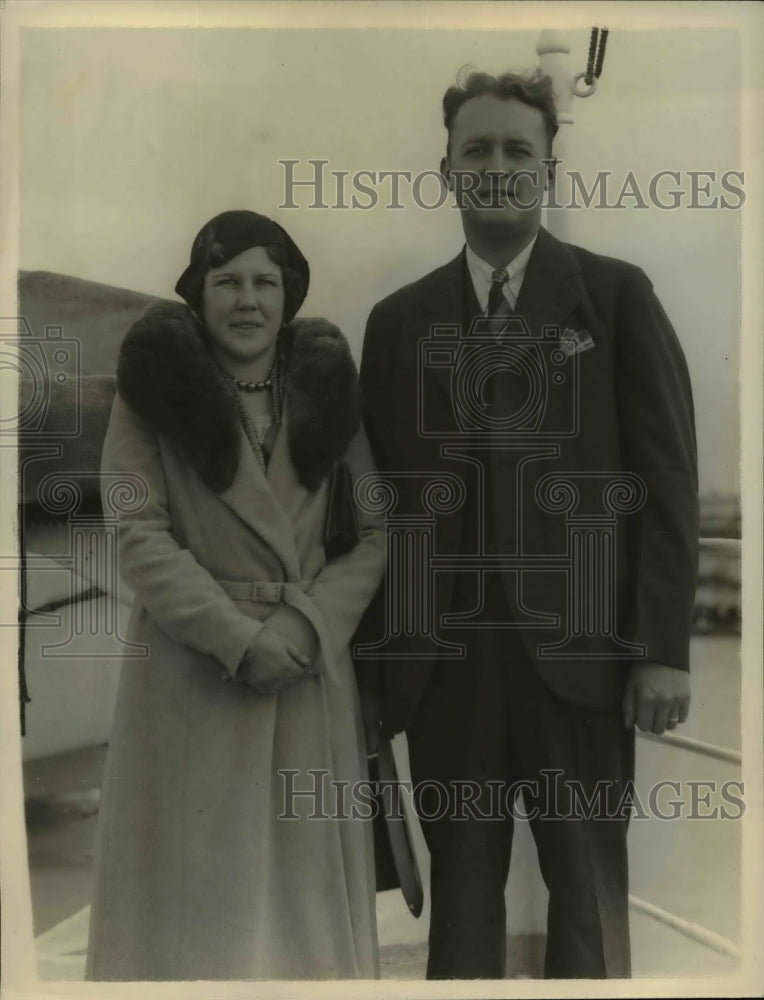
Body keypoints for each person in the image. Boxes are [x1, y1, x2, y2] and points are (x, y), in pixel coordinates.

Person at [358, 70, 699, 979]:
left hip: (583, 665)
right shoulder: (398, 324)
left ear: (548, 168)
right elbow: (374, 505)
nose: (498, 167)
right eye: (478, 150)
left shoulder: (617, 298)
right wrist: (369, 669)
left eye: (518, 150)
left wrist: (663, 647)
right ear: (447, 170)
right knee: (460, 913)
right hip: (445, 674)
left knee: (588, 903)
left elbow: (666, 482)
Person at [85, 210, 385, 981]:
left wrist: (306, 625)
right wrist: (239, 638)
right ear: (198, 293)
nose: (247, 301)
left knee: (302, 921)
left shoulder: (326, 389)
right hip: (192, 678)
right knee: (195, 921)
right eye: (227, 282)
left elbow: (374, 534)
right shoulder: (150, 393)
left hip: (305, 672)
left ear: (289, 295)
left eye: (265, 282)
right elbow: (139, 537)